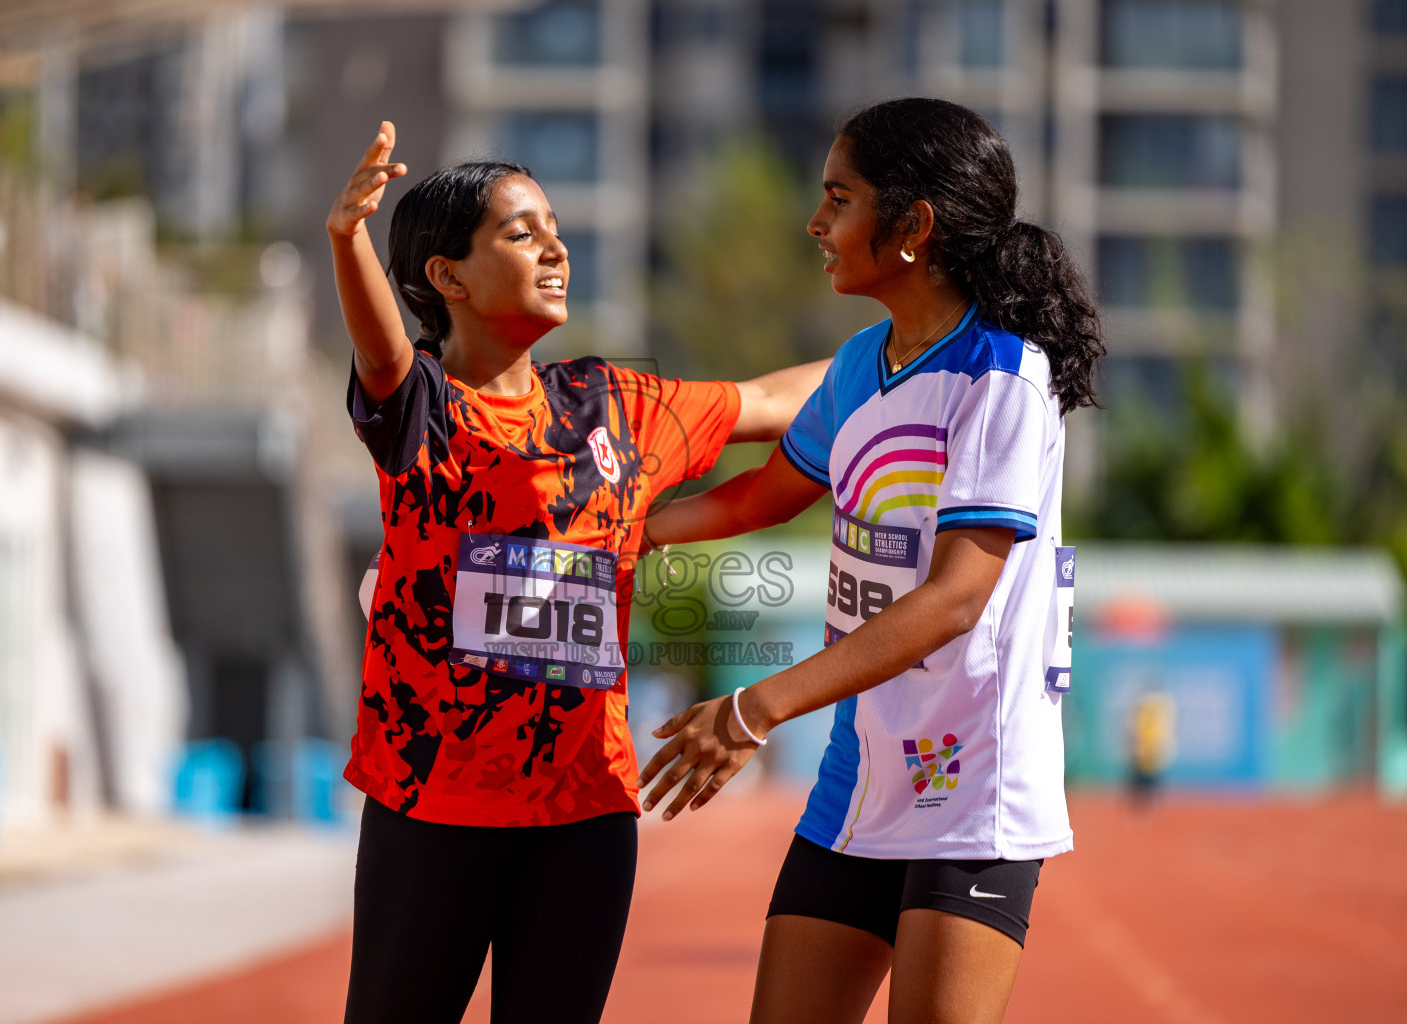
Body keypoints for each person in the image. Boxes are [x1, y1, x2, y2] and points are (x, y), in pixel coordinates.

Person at [326, 122, 827, 1024]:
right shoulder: (424, 412)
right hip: (430, 806)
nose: (555, 246)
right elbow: (380, 350)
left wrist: (920, 344)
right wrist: (346, 237)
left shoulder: (616, 407)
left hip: (584, 817)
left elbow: (769, 401)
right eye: (521, 233)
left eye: (554, 226)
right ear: (448, 278)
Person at [637, 98, 1106, 1024]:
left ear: (912, 228)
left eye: (838, 198)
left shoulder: (1003, 377)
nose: (816, 223)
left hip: (973, 786)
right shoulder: (860, 364)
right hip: (859, 773)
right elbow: (758, 496)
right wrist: (621, 527)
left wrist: (754, 707)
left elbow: (953, 601)